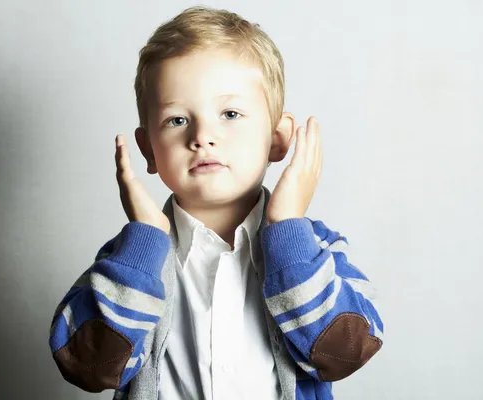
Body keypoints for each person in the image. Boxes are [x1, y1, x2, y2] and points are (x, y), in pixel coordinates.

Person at [48, 5, 384, 400]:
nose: (203, 135)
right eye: (177, 120)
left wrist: (288, 226)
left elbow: (342, 354)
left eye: (230, 113)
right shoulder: (127, 261)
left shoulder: (319, 251)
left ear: (277, 139)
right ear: (149, 151)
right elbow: (92, 367)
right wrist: (144, 243)